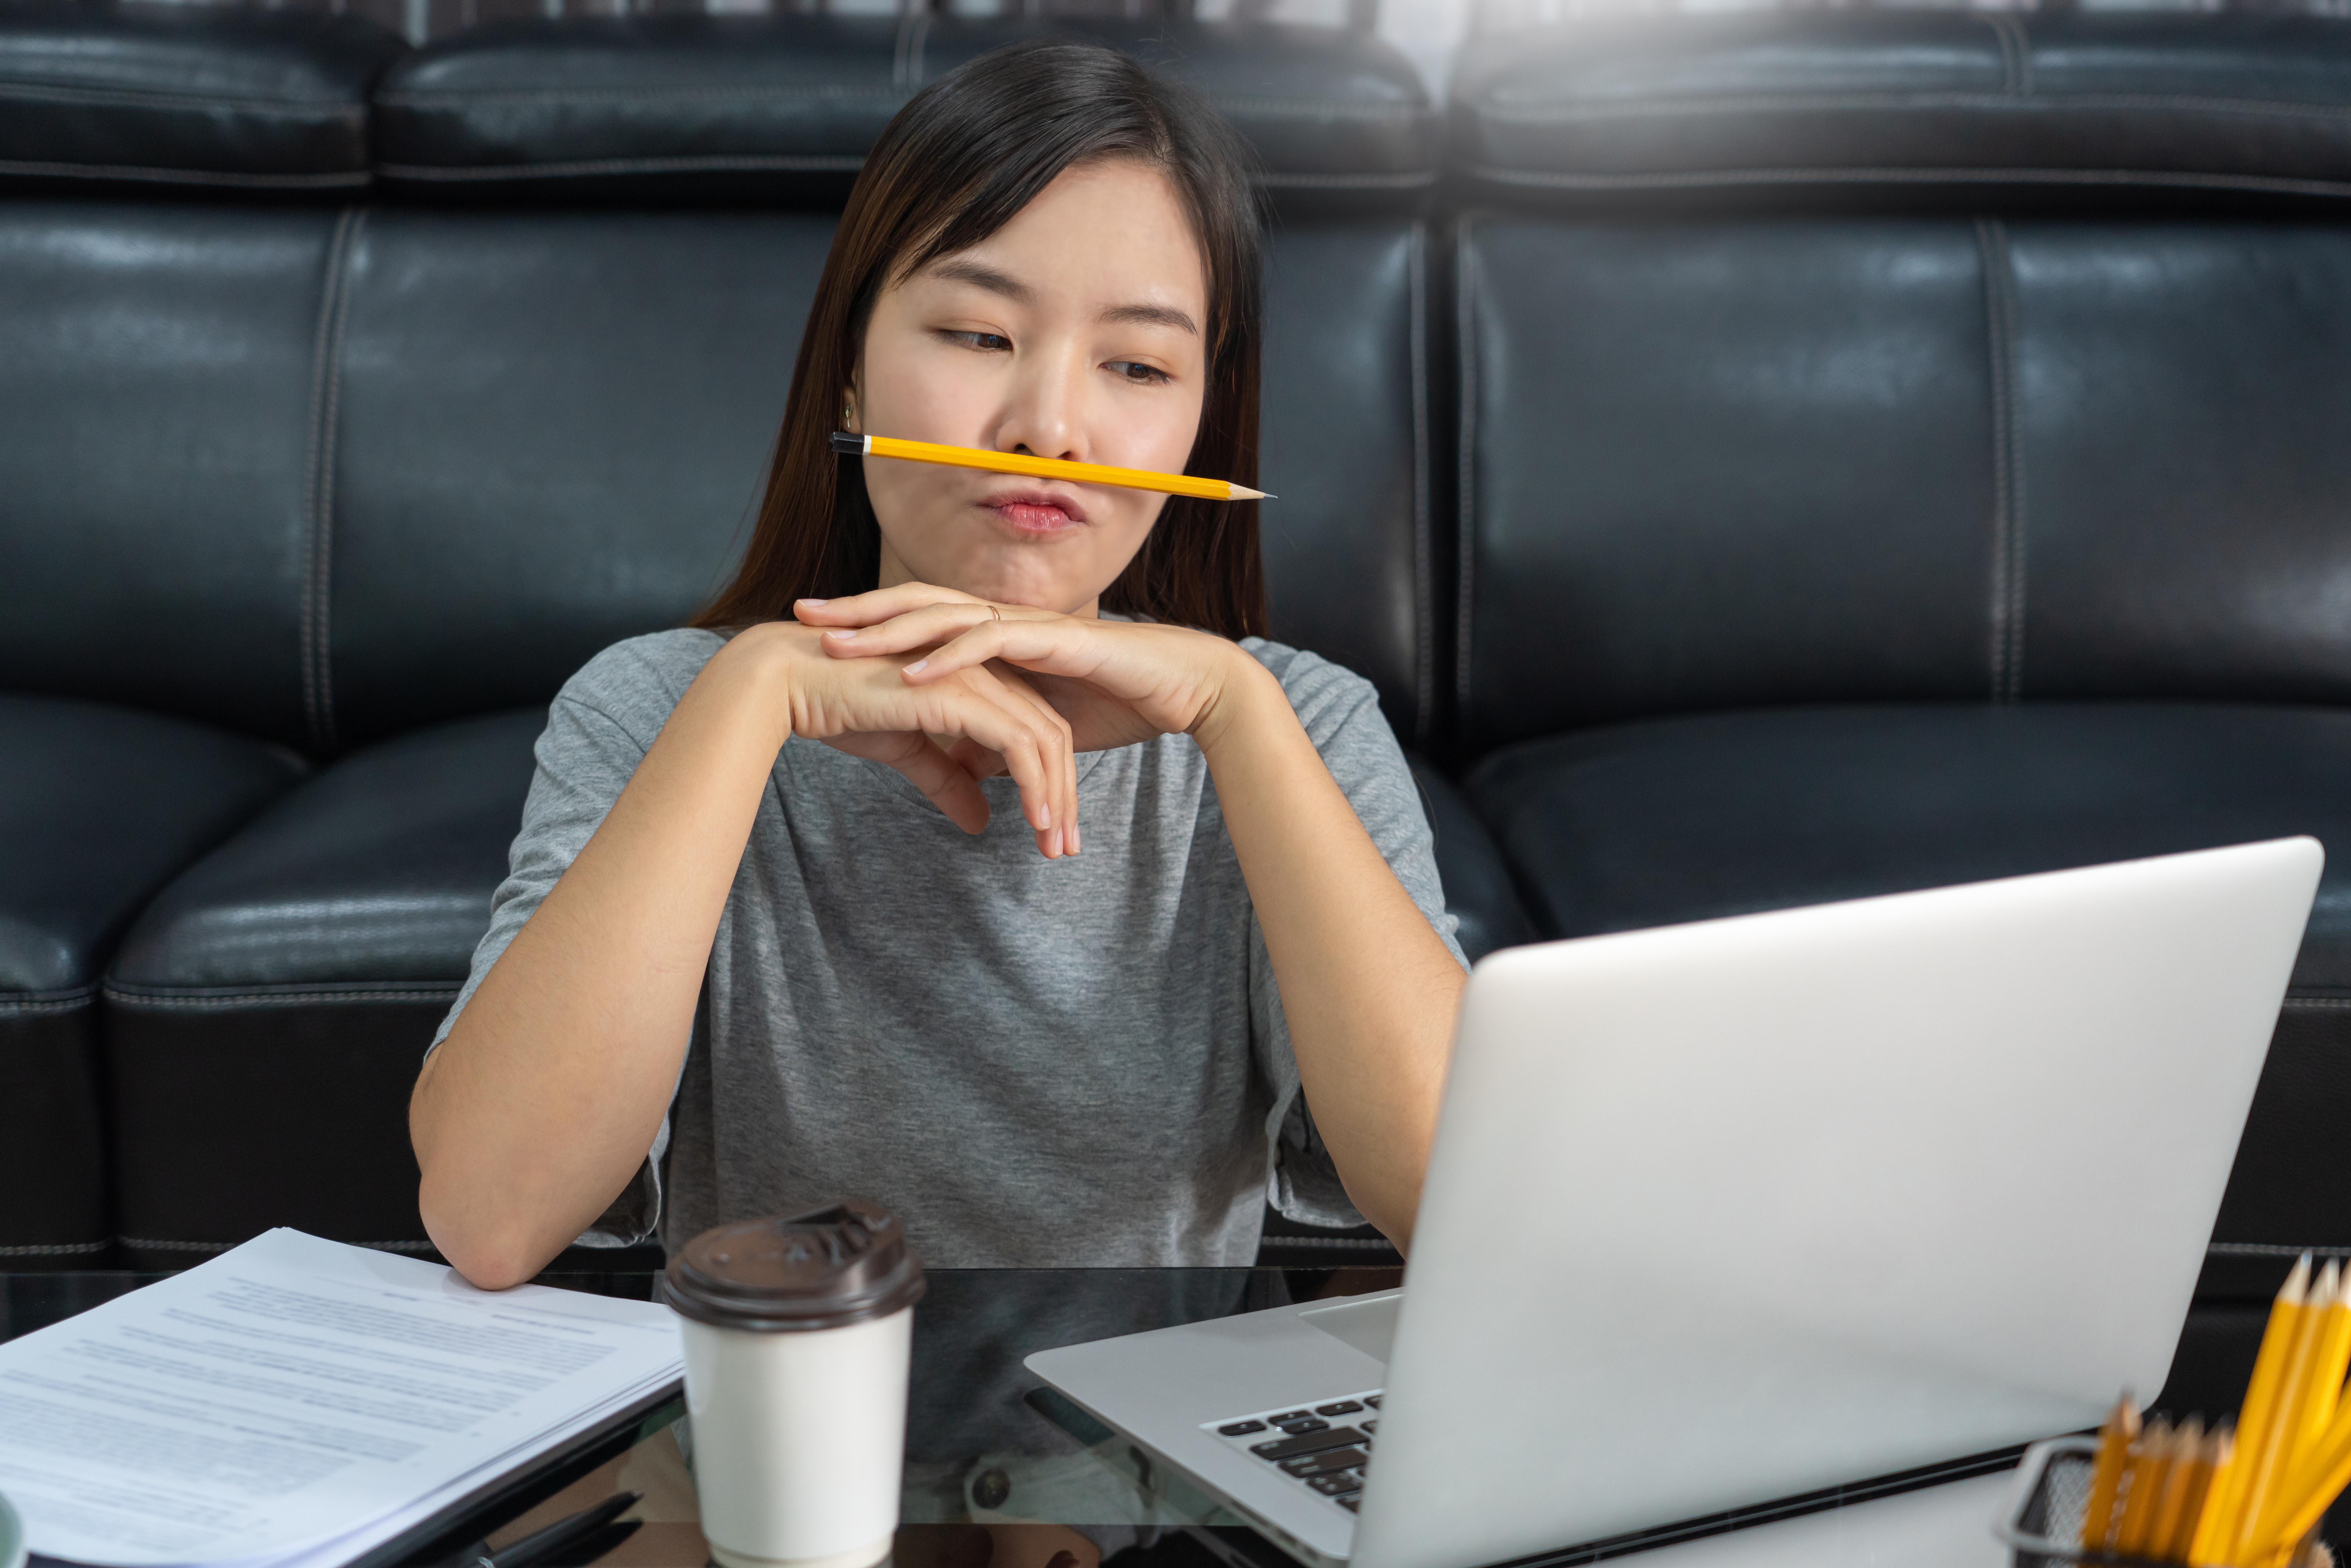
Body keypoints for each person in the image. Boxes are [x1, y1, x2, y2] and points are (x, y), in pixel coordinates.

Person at [407, 37, 1469, 1294]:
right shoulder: (652, 705)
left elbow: (1459, 1202)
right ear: (851, 369)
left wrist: (1234, 710)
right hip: (773, 1462)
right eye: (976, 333)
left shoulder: (1301, 725)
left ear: (1199, 422)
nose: (1050, 430)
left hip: (1133, 1481)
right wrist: (749, 695)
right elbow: (490, 1214)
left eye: (1137, 365)